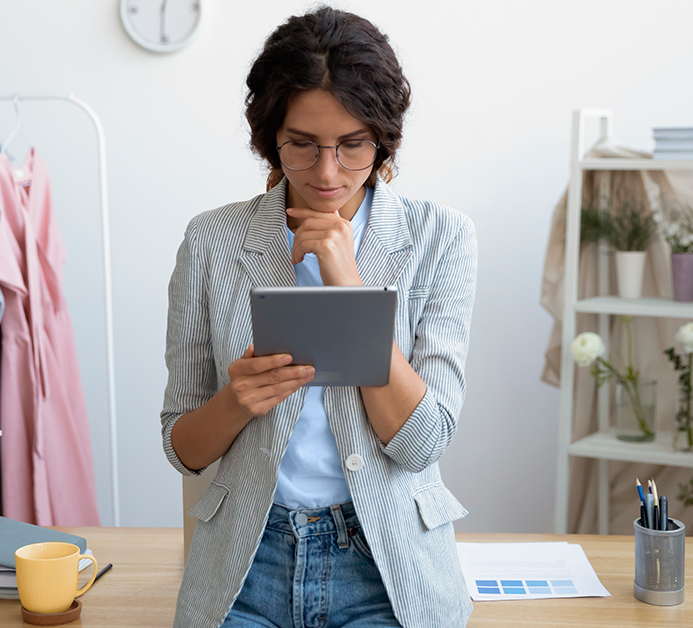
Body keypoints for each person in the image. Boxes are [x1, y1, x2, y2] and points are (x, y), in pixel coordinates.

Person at [160, 7, 477, 628]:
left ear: (382, 140)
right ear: (270, 138)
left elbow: (422, 444)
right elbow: (182, 448)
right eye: (302, 146)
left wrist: (349, 284)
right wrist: (236, 401)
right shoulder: (211, 242)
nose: (327, 172)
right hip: (248, 562)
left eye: (352, 145)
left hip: (384, 563)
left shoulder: (441, 238)